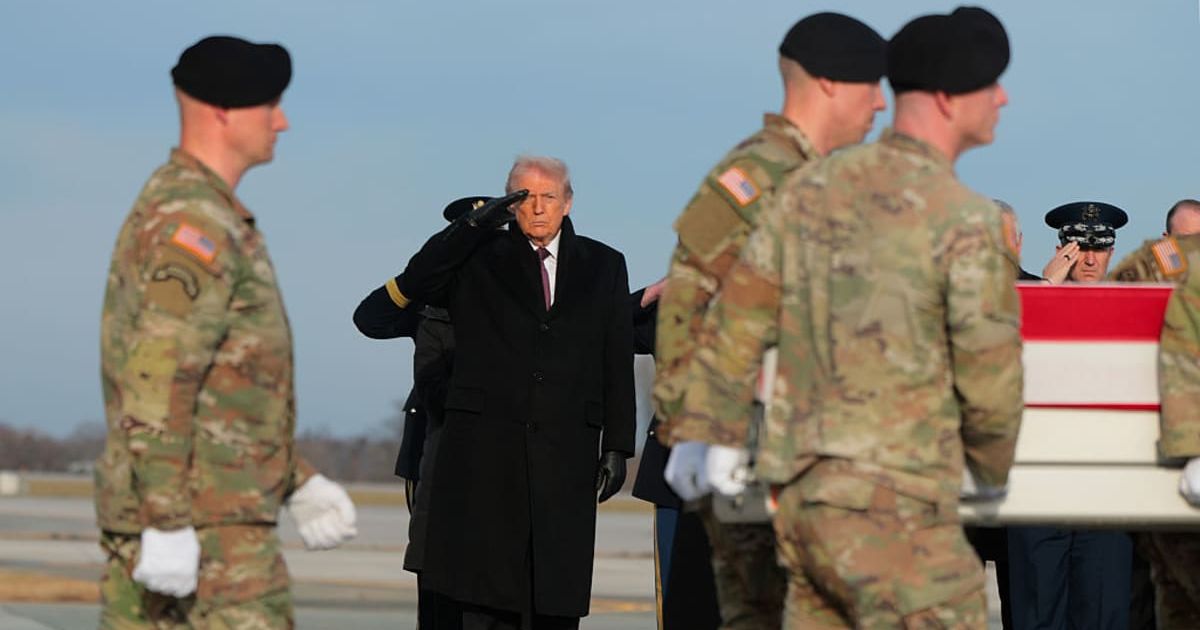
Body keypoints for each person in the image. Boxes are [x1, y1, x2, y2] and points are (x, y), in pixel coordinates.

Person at [670, 7, 1023, 627]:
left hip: (799, 487)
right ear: (948, 99)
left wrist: (708, 429)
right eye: (989, 83)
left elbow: (739, 315)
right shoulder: (960, 217)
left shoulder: (813, 186)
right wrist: (990, 470)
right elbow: (989, 377)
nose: (1003, 98)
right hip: (890, 501)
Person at [96, 35, 357, 627]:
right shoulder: (195, 222)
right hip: (208, 533)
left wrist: (294, 478)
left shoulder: (197, 210)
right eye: (270, 105)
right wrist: (167, 521)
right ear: (223, 111)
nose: (282, 122)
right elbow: (156, 376)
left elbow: (225, 387)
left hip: (210, 516)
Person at [650, 12, 888, 628]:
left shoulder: (818, 177)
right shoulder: (763, 175)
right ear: (829, 82)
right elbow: (689, 299)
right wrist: (698, 433)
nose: (881, 103)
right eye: (871, 84)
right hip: (759, 460)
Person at [388, 156, 635, 629]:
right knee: (484, 597)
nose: (538, 208)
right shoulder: (480, 258)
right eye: (526, 198)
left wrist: (618, 444)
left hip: (566, 452)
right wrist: (468, 228)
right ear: (509, 204)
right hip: (488, 454)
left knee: (554, 595)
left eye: (549, 197)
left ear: (568, 203)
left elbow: (616, 357)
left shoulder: (605, 264)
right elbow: (419, 280)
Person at [1007, 201, 1134, 630]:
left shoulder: (1131, 310)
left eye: (1100, 248)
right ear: (1062, 249)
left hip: (1105, 490)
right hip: (1039, 488)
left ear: (1112, 251)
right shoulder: (1027, 297)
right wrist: (1045, 289)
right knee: (1036, 615)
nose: (1090, 259)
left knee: (1104, 613)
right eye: (1081, 248)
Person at [354, 200, 472, 630]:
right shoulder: (430, 299)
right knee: (434, 572)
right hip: (430, 445)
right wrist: (417, 276)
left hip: (488, 449)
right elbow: (370, 318)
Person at [1107, 201, 1200, 629]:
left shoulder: (1159, 265)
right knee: (1172, 592)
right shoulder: (1153, 267)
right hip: (1159, 457)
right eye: (1187, 242)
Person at [630, 279, 722, 630]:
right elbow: (602, 326)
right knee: (676, 601)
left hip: (745, 482)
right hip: (675, 478)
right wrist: (648, 296)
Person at [1038, 201, 1127, 284]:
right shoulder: (1032, 289)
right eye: (1081, 248)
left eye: (1099, 249)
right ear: (1060, 253)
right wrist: (1047, 286)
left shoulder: (1128, 295)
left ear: (1110, 254)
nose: (1090, 261)